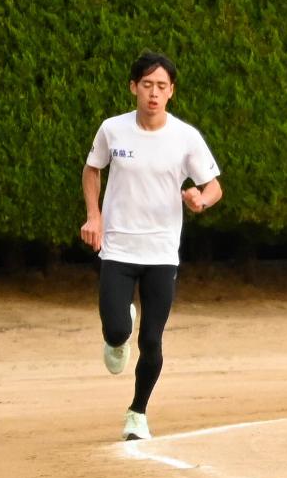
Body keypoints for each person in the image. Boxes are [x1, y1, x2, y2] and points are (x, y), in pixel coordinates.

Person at [79, 52, 223, 441]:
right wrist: (94, 215)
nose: (154, 94)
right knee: (115, 329)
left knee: (152, 339)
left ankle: (137, 413)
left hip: (161, 251)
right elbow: (93, 170)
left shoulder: (185, 137)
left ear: (171, 91)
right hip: (118, 247)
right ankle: (116, 334)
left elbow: (214, 186)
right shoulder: (113, 130)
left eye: (161, 86)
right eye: (147, 85)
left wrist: (200, 201)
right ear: (133, 88)